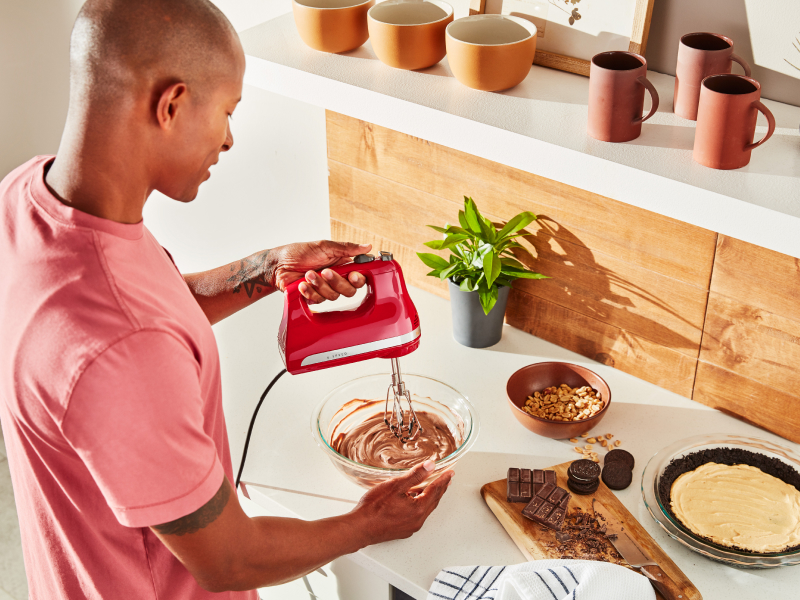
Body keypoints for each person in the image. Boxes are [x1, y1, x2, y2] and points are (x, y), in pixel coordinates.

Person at [0, 0, 453, 598]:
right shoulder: (124, 348)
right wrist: (370, 523)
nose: (230, 139)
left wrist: (267, 269)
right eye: (227, 111)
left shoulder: (27, 200)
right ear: (171, 104)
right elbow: (230, 561)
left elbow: (146, 307)